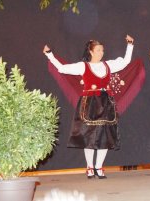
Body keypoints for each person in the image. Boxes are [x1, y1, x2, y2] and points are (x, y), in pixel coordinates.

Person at [43, 35, 135, 179]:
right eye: (98, 50)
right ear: (91, 52)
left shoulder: (108, 65)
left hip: (106, 103)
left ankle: (99, 166)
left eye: (102, 50)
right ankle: (90, 167)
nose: (101, 53)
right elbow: (61, 68)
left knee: (105, 136)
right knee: (89, 136)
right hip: (90, 103)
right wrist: (50, 55)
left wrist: (130, 45)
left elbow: (125, 62)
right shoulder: (83, 66)